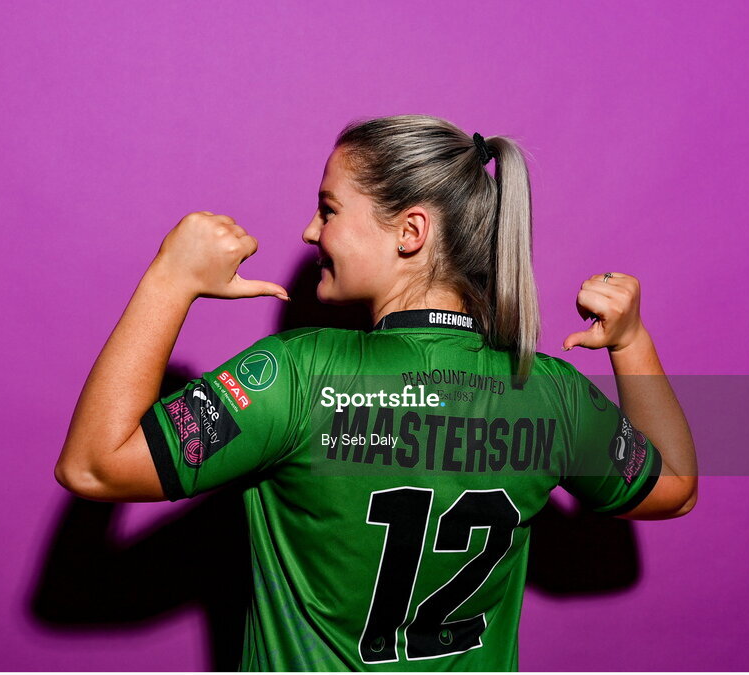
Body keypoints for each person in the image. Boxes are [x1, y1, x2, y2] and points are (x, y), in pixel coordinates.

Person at [55, 114, 698, 671]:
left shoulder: (300, 372)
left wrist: (171, 279)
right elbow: (676, 489)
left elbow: (92, 466)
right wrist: (632, 342)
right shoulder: (549, 393)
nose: (310, 233)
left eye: (329, 209)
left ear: (409, 233)